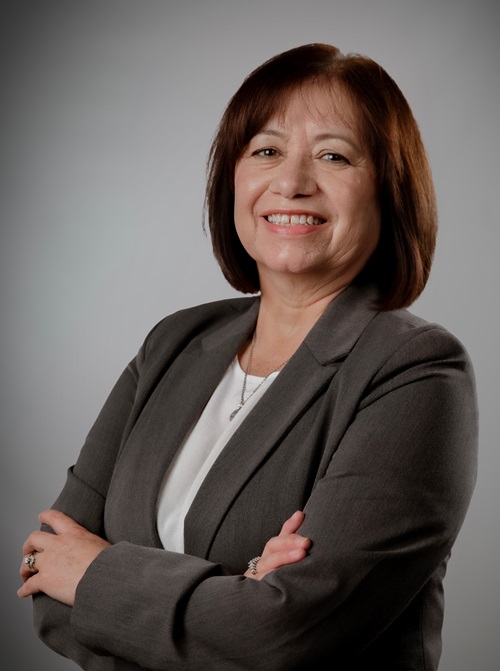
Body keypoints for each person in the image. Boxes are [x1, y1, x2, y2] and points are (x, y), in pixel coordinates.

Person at [18, 43, 477, 670]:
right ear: (232, 178)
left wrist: (96, 576)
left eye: (333, 155)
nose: (290, 182)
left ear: (388, 190)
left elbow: (283, 637)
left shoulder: (417, 371)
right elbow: (45, 573)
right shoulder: (173, 344)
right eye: (265, 151)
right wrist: (236, 589)